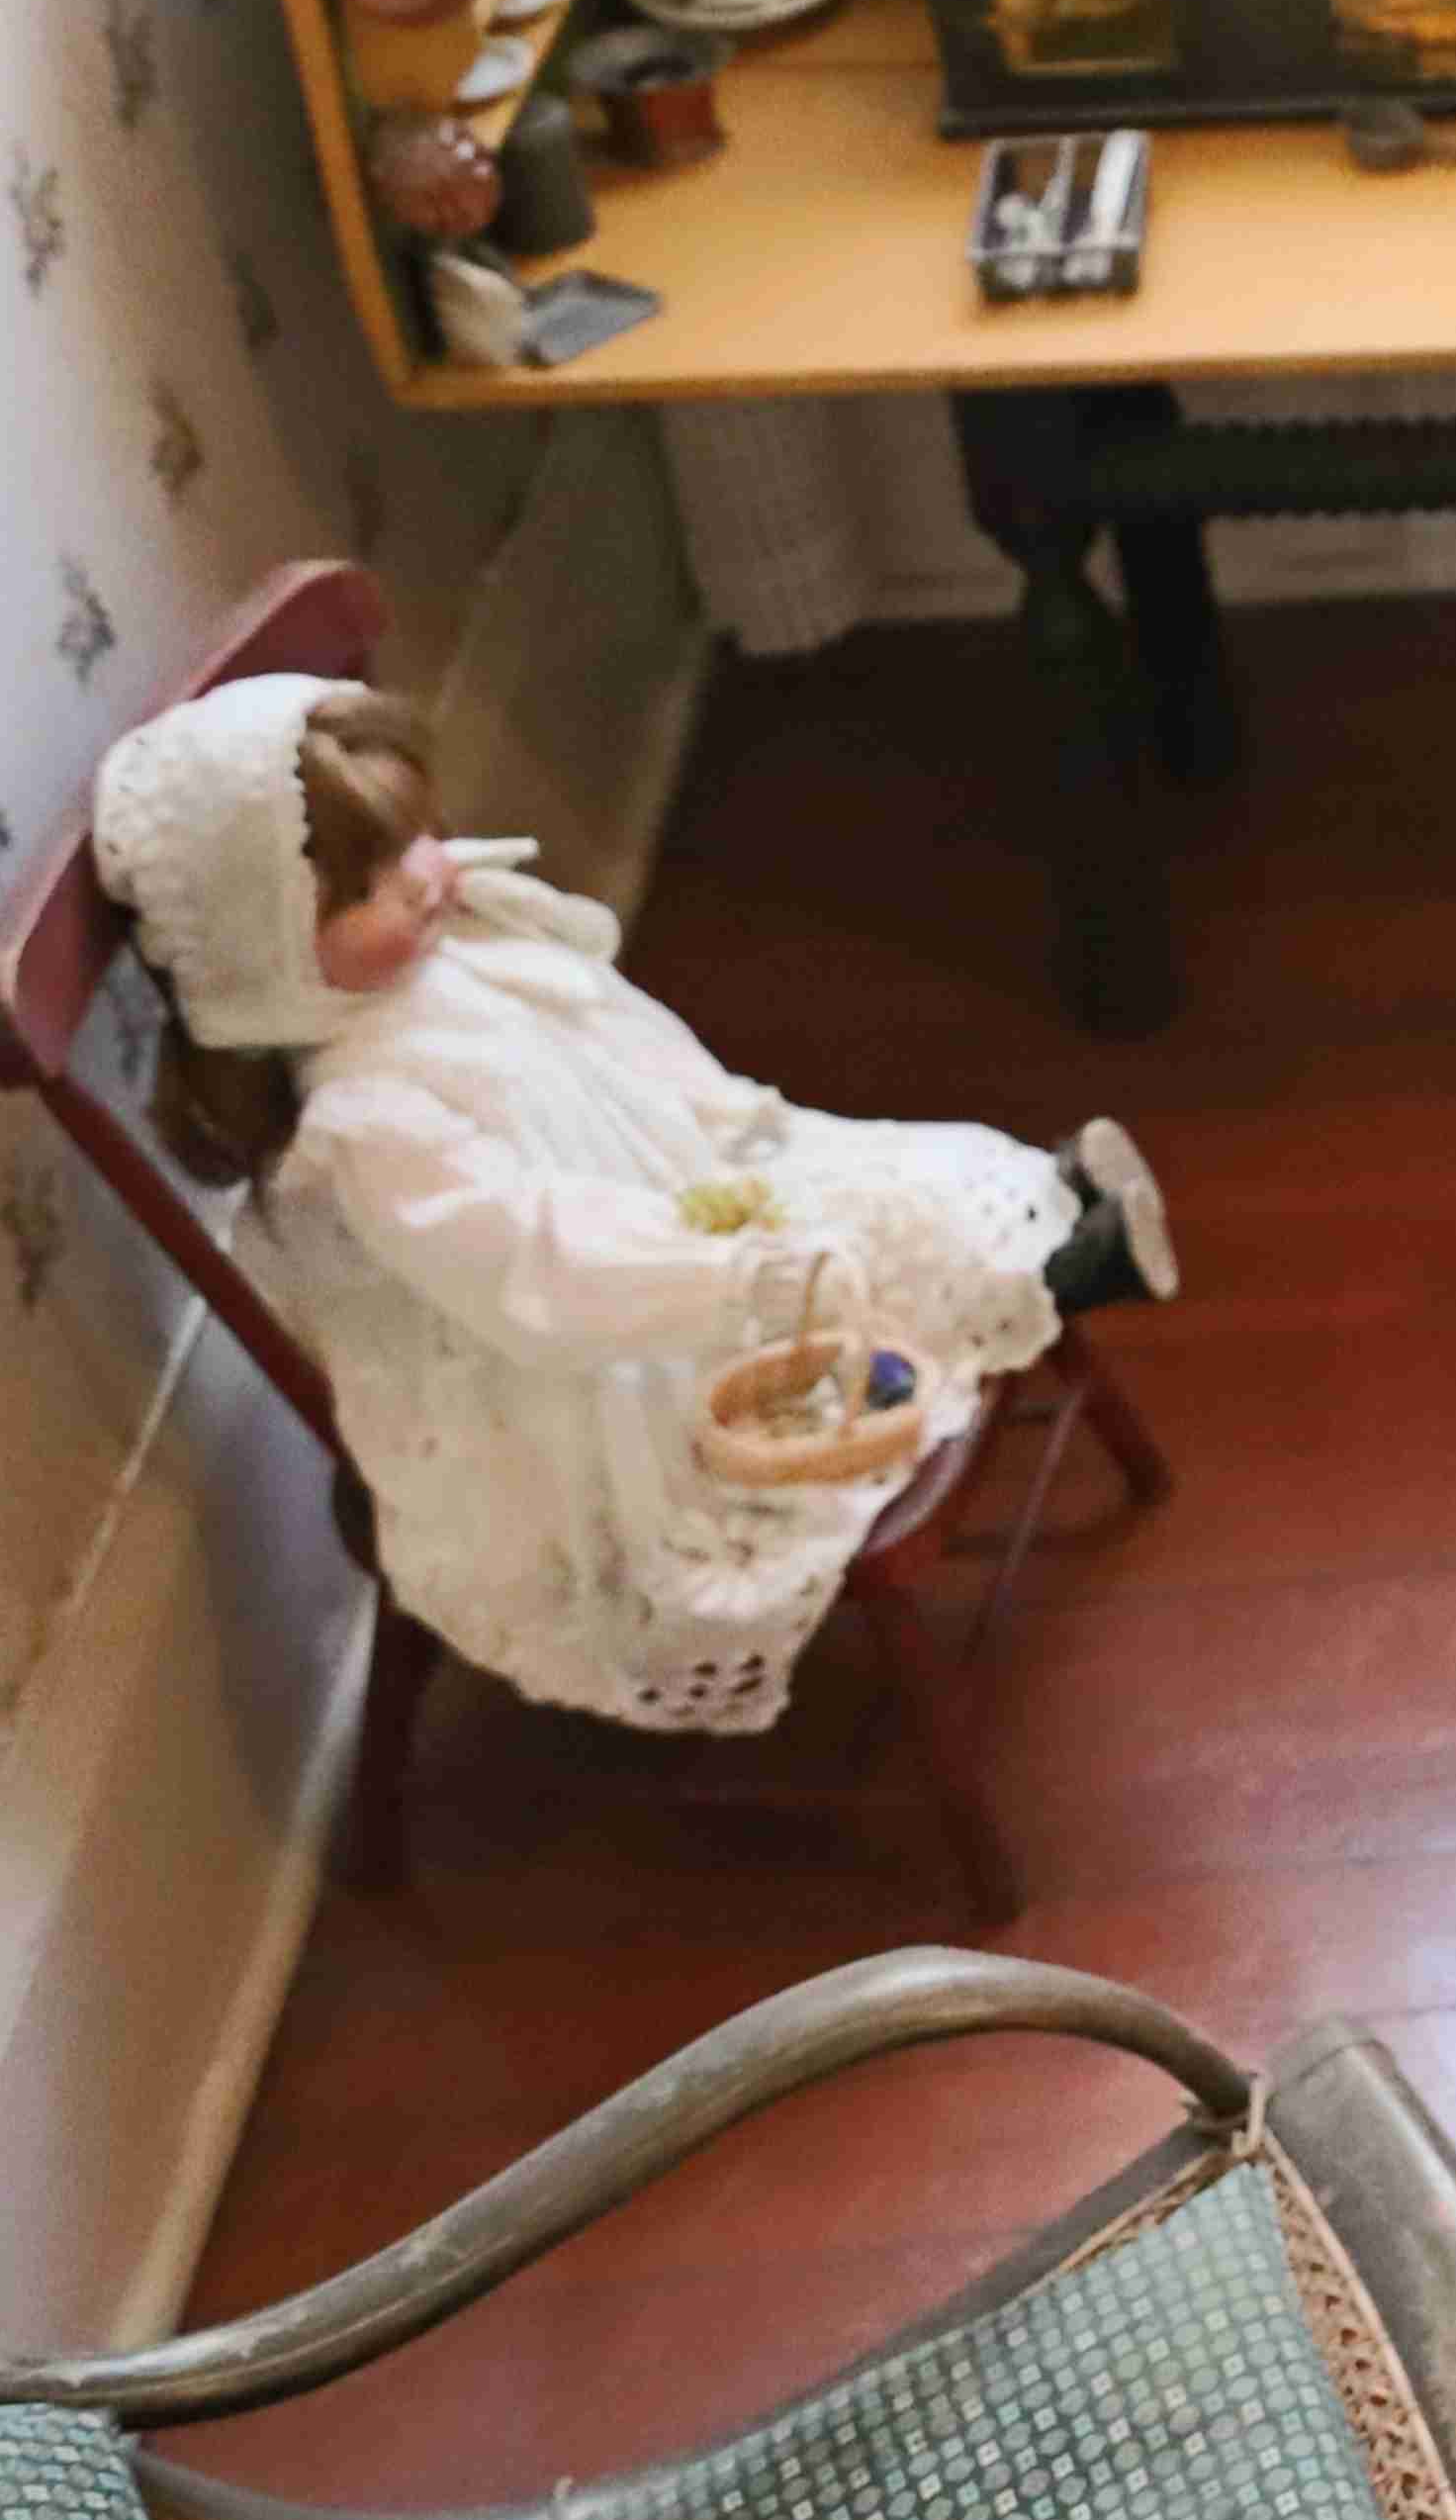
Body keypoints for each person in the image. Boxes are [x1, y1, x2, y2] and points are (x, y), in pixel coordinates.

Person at [94, 674, 1173, 1732]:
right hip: (585, 1349)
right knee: (822, 1298)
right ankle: (1077, 1259)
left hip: (662, 1192)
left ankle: (1055, 1214)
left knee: (898, 1184)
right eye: (369, 884)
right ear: (268, 951)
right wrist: (726, 1271)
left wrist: (722, 1144)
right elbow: (537, 1262)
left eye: (415, 835)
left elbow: (609, 1047)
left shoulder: (433, 955)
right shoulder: (369, 1128)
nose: (426, 877)